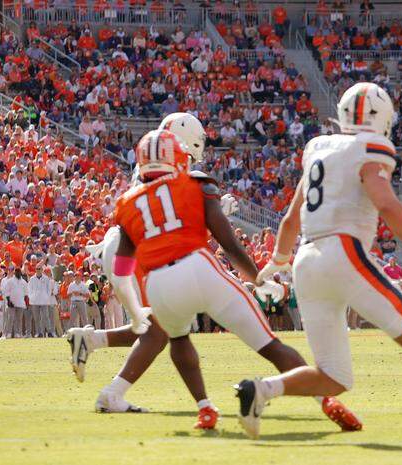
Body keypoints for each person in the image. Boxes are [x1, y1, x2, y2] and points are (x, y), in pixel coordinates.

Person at [238, 82, 402, 439]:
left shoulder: (318, 147)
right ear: (383, 118)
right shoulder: (371, 148)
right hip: (342, 252)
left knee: (335, 377)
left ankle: (262, 389)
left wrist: (275, 263)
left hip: (305, 260)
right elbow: (386, 202)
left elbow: (289, 220)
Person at [109, 129, 356, 433]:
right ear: (177, 157)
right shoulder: (195, 185)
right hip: (198, 267)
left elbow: (121, 274)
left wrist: (136, 314)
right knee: (269, 344)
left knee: (178, 340)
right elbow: (228, 242)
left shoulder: (126, 203)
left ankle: (205, 409)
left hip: (158, 282)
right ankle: (327, 401)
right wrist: (259, 280)